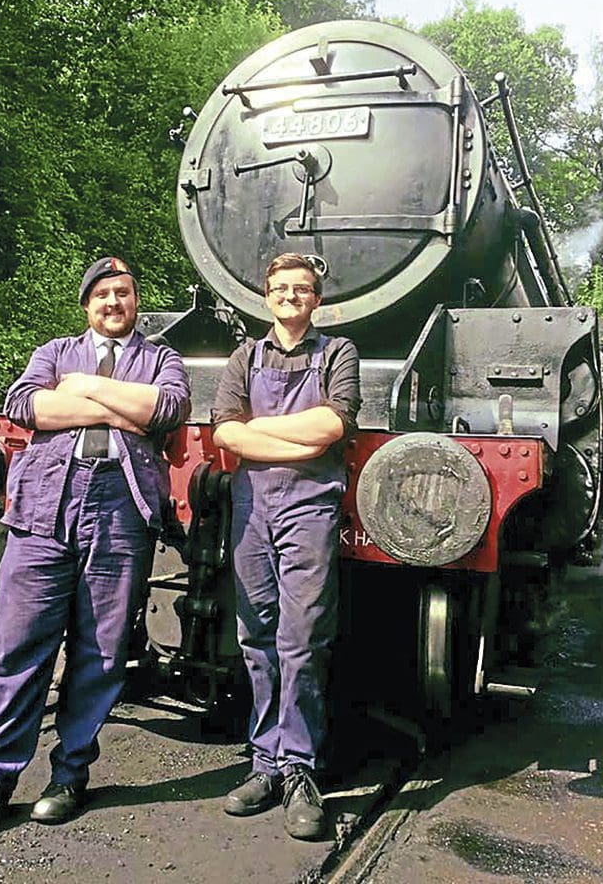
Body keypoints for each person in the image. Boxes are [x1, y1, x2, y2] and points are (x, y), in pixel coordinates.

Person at [0, 257, 191, 845]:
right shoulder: (54, 351)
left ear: (136, 302)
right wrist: (120, 408)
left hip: (120, 506)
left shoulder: (162, 358)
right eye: (102, 293)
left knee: (101, 651)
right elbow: (26, 405)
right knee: (19, 645)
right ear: (87, 304)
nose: (113, 302)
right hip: (45, 503)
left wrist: (82, 389)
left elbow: (167, 409)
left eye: (124, 293)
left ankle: (68, 777)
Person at [212, 253, 360, 841]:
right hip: (252, 505)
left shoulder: (338, 352)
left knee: (302, 636)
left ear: (316, 300)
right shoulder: (245, 356)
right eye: (281, 288)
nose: (291, 297)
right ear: (267, 296)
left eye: (302, 289)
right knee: (256, 633)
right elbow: (225, 431)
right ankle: (264, 763)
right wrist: (298, 440)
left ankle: (299, 767)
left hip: (310, 504)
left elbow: (333, 425)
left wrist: (258, 433)